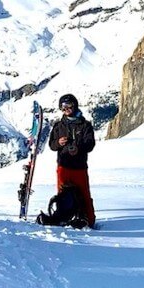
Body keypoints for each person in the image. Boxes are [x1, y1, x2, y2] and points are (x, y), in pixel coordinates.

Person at [49, 93, 98, 228]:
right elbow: (52, 145)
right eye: (63, 107)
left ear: (74, 105)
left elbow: (90, 144)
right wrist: (59, 143)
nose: (66, 110)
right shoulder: (58, 126)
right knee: (62, 194)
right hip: (63, 166)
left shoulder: (85, 125)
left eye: (68, 106)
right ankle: (63, 216)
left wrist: (78, 149)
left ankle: (89, 219)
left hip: (79, 166)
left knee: (84, 193)